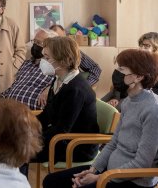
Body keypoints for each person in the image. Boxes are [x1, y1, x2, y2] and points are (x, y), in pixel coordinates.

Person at [43, 49, 158, 188]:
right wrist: (93, 170)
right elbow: (114, 142)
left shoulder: (153, 110)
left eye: (121, 69)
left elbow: (142, 163)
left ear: (138, 77)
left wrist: (99, 177)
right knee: (51, 181)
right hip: (110, 171)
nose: (116, 73)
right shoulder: (128, 102)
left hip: (132, 179)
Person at [22, 36, 99, 176]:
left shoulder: (76, 89)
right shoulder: (58, 80)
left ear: (64, 60)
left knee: (15, 152)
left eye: (47, 57)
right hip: (61, 139)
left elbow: (62, 129)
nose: (43, 61)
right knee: (14, 144)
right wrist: (26, 128)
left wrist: (31, 138)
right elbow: (46, 116)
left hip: (76, 146)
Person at [1, 28, 58, 110]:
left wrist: (50, 88)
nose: (35, 45)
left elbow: (67, 80)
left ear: (51, 47)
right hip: (10, 110)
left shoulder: (54, 67)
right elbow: (14, 86)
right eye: (34, 41)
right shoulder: (26, 63)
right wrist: (0, 99)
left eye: (39, 43)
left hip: (32, 115)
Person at [102, 32, 158, 111]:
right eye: (141, 45)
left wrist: (118, 102)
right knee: (99, 104)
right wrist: (116, 98)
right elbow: (118, 84)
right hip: (124, 93)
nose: (141, 48)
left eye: (147, 46)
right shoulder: (138, 61)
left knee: (113, 109)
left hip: (138, 99)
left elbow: (150, 96)